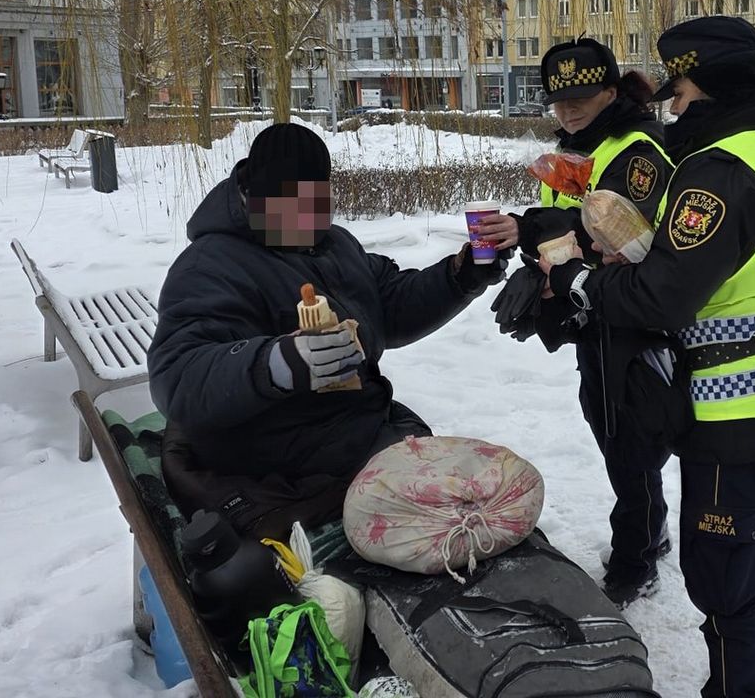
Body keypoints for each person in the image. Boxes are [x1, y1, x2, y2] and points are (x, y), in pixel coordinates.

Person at [541, 17, 755, 698]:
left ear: (715, 87)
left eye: (684, 88)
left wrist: (580, 282)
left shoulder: (718, 174)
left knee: (726, 585)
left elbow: (661, 298)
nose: (672, 103)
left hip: (737, 413)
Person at [147, 122, 507, 542]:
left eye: (317, 200)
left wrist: (458, 277)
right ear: (254, 198)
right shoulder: (210, 265)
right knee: (468, 515)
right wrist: (276, 364)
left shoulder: (334, 244)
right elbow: (177, 376)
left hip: (357, 433)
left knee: (489, 494)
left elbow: (389, 306)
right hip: (278, 457)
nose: (307, 216)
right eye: (289, 203)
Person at [477, 36, 676, 606]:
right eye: (559, 100)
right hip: (594, 308)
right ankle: (652, 533)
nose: (568, 109)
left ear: (612, 91)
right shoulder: (572, 148)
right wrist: (538, 256)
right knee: (610, 424)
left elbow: (607, 226)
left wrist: (530, 227)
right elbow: (563, 231)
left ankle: (635, 561)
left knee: (627, 436)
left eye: (583, 96)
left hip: (632, 313)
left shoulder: (636, 147)